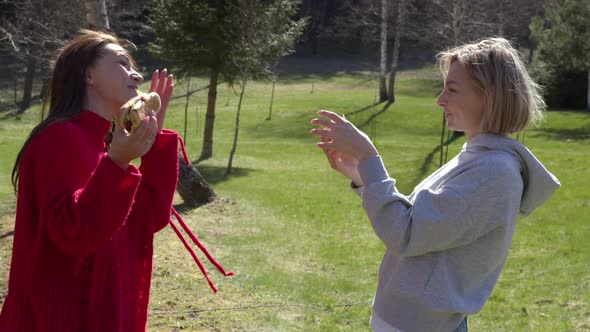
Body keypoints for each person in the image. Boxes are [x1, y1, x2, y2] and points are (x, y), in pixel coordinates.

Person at [310, 38, 560, 332]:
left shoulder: (494, 173)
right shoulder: (477, 158)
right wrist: (364, 178)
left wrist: (369, 155)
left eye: (452, 89)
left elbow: (407, 235)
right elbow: (421, 224)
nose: (440, 100)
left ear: (489, 96)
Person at [0, 30, 177, 331]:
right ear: (88, 75)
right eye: (122, 63)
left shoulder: (104, 141)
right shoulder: (59, 137)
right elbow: (73, 231)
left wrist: (153, 141)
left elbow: (149, 217)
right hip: (58, 319)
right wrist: (118, 163)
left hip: (105, 314)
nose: (136, 75)